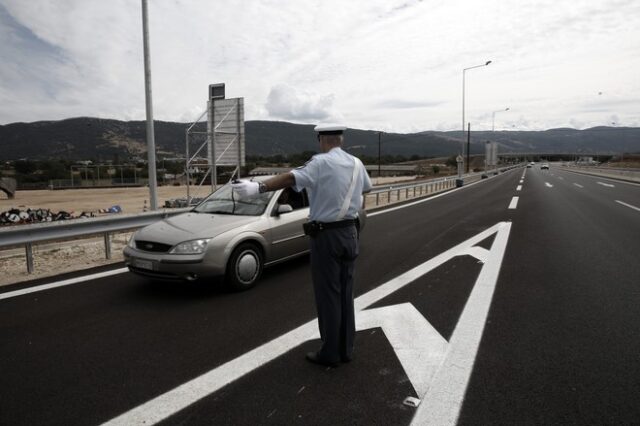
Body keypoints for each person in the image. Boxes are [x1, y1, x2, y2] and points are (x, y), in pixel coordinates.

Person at [232, 124, 372, 367]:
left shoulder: (319, 162)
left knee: (328, 295)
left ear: (322, 139)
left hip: (327, 236)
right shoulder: (357, 163)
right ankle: (346, 349)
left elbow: (290, 178)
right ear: (340, 139)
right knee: (345, 293)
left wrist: (258, 187)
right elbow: (366, 189)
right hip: (350, 232)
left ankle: (330, 353)